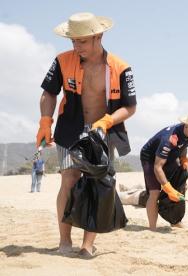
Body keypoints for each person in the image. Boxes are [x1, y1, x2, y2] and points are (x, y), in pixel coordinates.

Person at [37, 12, 137, 257]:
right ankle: (64, 241)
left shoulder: (121, 67)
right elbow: (49, 93)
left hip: (102, 132)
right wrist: (45, 121)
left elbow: (130, 106)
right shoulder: (62, 61)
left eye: (81, 40)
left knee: (97, 184)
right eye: (72, 40)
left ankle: (87, 245)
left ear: (98, 36)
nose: (76, 45)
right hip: (70, 129)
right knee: (69, 180)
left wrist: (107, 120)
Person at [140, 114, 188, 230]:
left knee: (180, 188)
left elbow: (184, 146)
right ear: (187, 126)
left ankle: (175, 221)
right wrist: (168, 189)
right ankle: (152, 228)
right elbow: (157, 167)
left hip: (169, 155)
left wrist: (184, 159)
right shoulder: (168, 139)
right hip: (150, 157)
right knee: (155, 193)